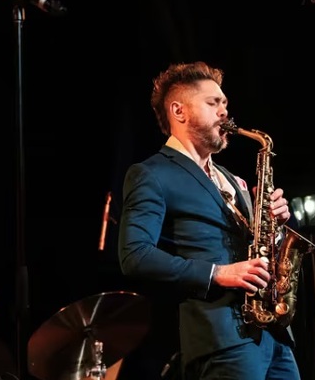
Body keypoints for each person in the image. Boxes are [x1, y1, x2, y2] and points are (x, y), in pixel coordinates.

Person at [117, 61, 300, 380]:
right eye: (213, 103)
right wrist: (218, 273)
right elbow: (134, 255)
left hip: (272, 335)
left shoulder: (233, 179)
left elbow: (259, 248)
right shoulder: (151, 173)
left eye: (225, 103)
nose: (224, 112)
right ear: (179, 111)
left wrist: (275, 226)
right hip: (223, 339)